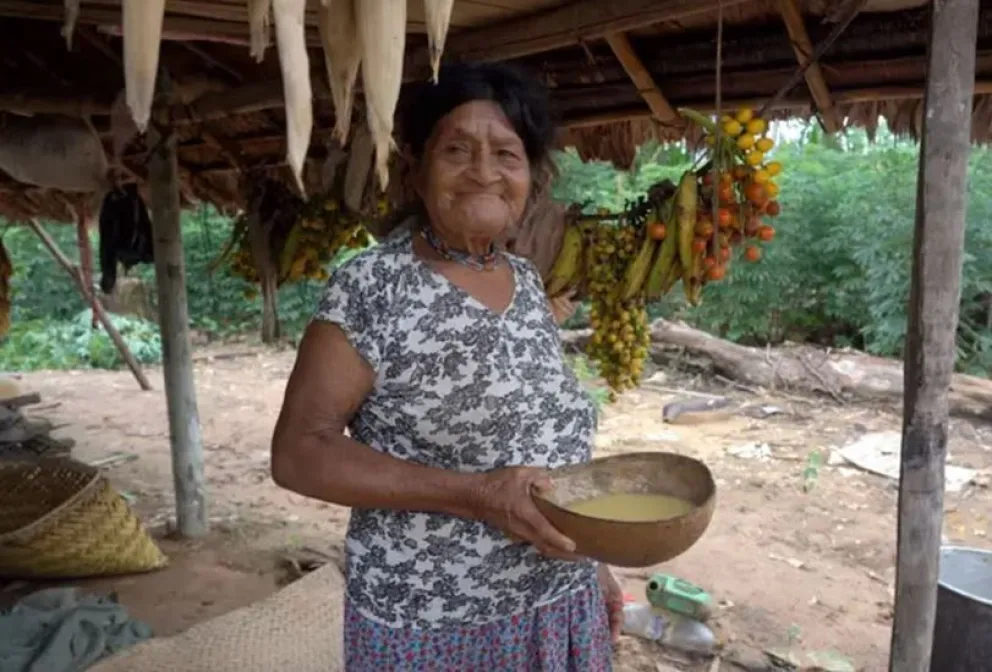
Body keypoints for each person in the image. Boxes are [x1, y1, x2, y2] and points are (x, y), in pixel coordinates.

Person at [271, 61, 620, 671]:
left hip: (557, 600)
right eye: (457, 149)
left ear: (530, 180)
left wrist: (597, 563)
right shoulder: (372, 286)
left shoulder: (527, 281)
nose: (484, 171)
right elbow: (299, 452)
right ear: (416, 170)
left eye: (506, 155)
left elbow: (547, 437)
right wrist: (479, 495)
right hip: (438, 628)